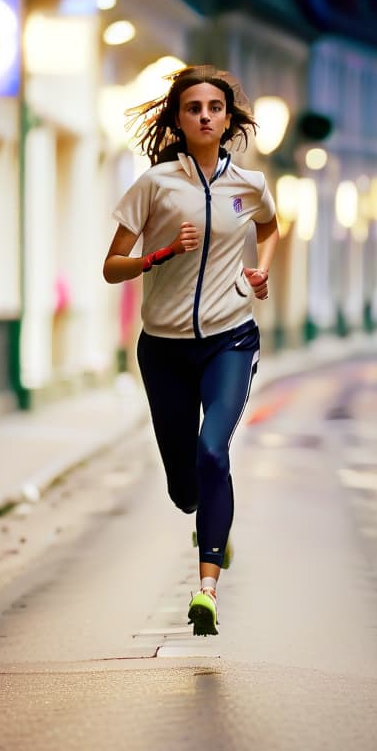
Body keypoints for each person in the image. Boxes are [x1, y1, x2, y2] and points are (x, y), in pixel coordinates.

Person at [103, 65, 279, 636]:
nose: (205, 116)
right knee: (184, 488)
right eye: (193, 108)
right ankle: (206, 521)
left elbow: (272, 229)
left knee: (212, 451)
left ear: (228, 119)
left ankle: (206, 588)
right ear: (178, 120)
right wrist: (158, 257)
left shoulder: (248, 186)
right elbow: (111, 267)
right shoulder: (154, 185)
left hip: (230, 338)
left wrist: (261, 273)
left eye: (215, 108)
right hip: (164, 349)